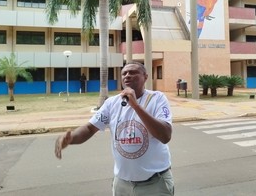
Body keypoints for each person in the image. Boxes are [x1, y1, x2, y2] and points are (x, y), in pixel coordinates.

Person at [55, 61, 174, 195]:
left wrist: (136, 106)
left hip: (154, 184)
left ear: (145, 77)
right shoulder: (112, 103)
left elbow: (165, 135)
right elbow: (90, 128)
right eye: (124, 73)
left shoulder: (157, 98)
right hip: (122, 184)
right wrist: (70, 139)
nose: (127, 75)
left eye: (133, 72)